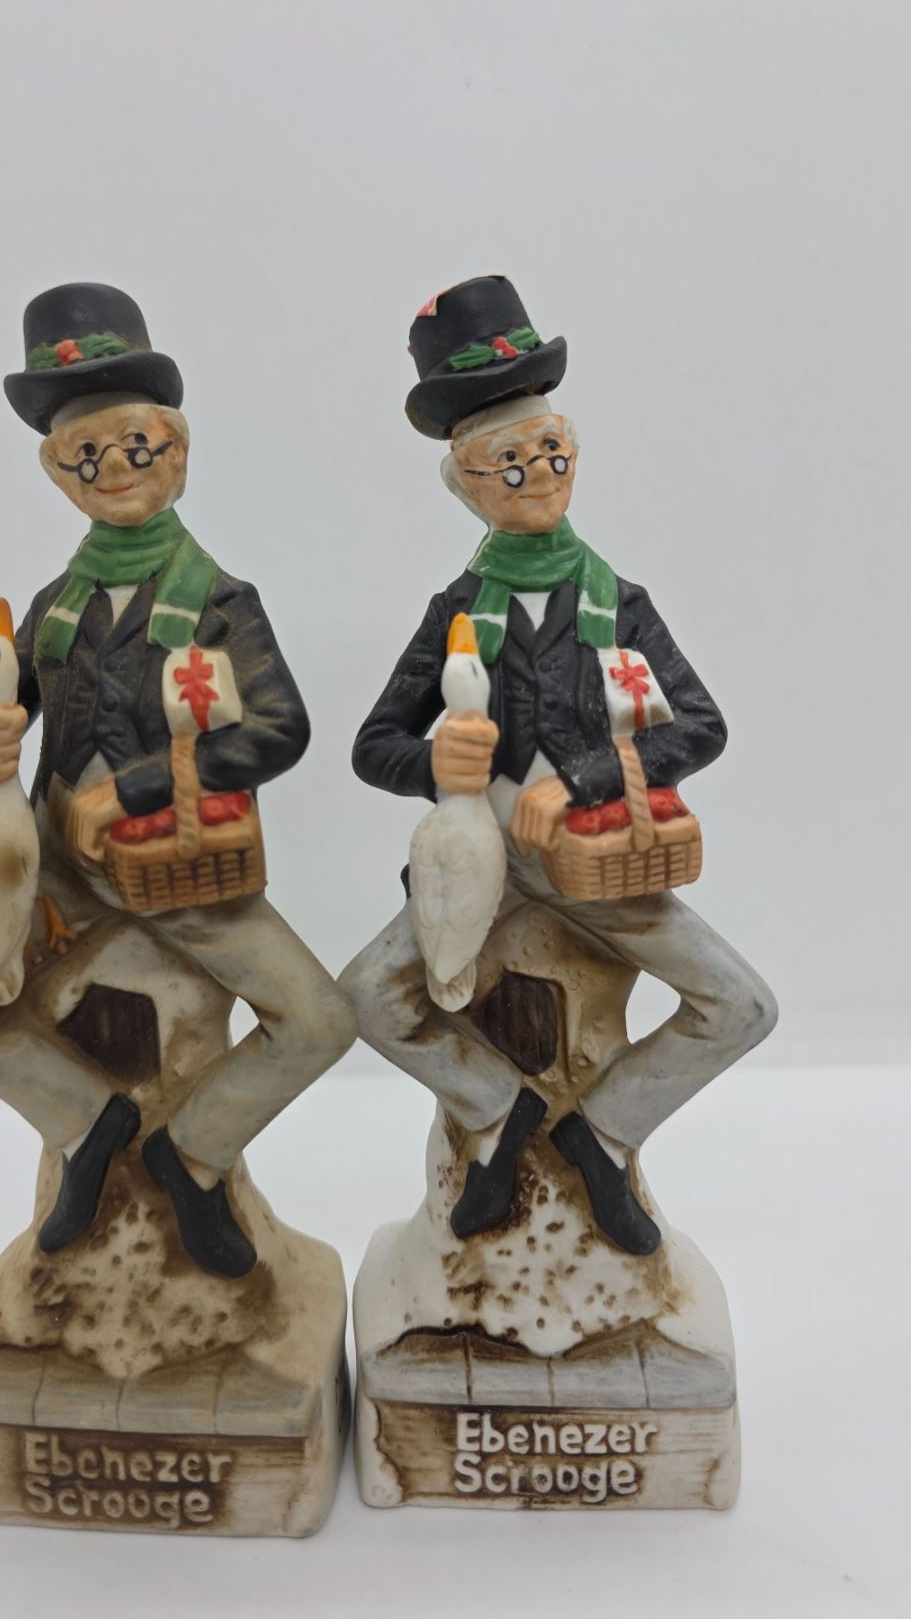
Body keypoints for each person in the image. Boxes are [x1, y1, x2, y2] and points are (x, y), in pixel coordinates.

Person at [0, 283, 355, 1277]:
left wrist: (140, 788)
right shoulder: (53, 606)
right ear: (57, 474)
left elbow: (281, 730)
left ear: (176, 453)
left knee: (319, 1021)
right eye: (84, 456)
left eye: (134, 447)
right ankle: (85, 1126)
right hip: (61, 875)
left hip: (182, 864)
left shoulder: (221, 602)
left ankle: (195, 1153)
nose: (111, 470)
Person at [341, 275, 776, 1255]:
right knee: (366, 996)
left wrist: (577, 778)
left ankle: (604, 1133)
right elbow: (376, 746)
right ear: (464, 484)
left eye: (552, 452)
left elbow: (700, 727)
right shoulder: (458, 611)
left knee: (741, 1006)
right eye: (508, 462)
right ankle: (499, 1117)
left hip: (598, 857)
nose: (536, 475)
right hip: (484, 869)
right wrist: (444, 766)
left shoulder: (618, 602)